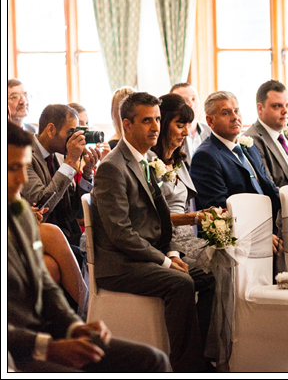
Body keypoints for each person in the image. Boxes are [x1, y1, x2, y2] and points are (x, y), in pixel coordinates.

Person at [7, 120, 170, 373]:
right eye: (11, 168)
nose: (21, 179)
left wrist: (74, 326)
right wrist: (47, 347)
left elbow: (45, 285)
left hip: (42, 335)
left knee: (152, 359)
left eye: (24, 167)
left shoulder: (20, 214)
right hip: (14, 352)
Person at [90, 92, 213, 372]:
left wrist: (171, 251)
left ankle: (199, 357)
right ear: (127, 125)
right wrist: (167, 262)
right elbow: (120, 233)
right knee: (181, 282)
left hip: (144, 256)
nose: (156, 127)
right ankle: (185, 368)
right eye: (147, 120)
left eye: (157, 119)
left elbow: (160, 219)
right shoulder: (112, 167)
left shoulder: (143, 159)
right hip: (119, 265)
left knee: (207, 276)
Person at [149, 93, 221, 361]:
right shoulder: (148, 163)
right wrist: (193, 219)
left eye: (188, 125)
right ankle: (198, 354)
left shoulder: (178, 160)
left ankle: (216, 346)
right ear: (164, 122)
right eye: (179, 124)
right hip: (162, 238)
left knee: (228, 260)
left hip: (184, 233)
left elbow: (188, 206)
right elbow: (151, 218)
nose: (185, 132)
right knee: (216, 270)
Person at [190, 91, 283, 267]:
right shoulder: (206, 156)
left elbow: (268, 188)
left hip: (270, 228)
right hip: (239, 244)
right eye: (226, 113)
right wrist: (260, 234)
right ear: (210, 121)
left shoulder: (248, 146)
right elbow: (219, 209)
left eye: (237, 111)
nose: (235, 117)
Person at [22, 105, 101, 261]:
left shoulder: (58, 155)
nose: (74, 139)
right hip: (43, 234)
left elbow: (75, 212)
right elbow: (41, 203)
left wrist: (86, 174)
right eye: (71, 132)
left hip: (68, 232)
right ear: (51, 129)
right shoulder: (24, 154)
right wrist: (70, 161)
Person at [244, 80, 288, 188]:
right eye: (277, 106)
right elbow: (268, 187)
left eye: (287, 105)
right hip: (287, 203)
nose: (285, 111)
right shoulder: (252, 140)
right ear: (260, 108)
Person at [170, 82, 211, 166]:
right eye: (184, 100)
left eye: (193, 99)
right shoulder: (169, 134)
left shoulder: (210, 131)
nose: (191, 104)